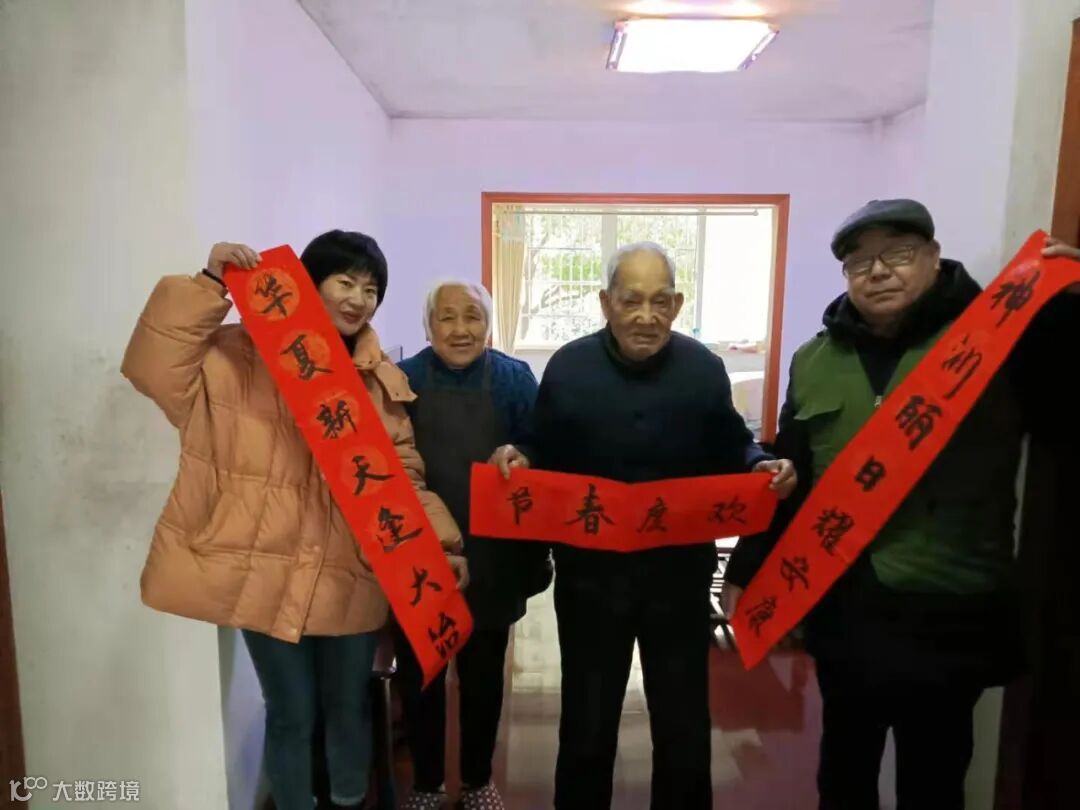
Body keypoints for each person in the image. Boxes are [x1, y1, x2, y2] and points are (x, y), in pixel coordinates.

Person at [722, 200, 1080, 810]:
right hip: (844, 607)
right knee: (843, 772)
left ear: (934, 257)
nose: (878, 271)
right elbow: (791, 474)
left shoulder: (999, 338)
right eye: (859, 262)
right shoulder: (814, 359)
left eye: (899, 253)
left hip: (949, 607)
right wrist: (747, 568)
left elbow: (1063, 412)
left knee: (933, 781)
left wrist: (1069, 308)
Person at [121, 232, 467, 810]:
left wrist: (440, 547)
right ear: (306, 284)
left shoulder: (377, 379)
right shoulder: (240, 356)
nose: (358, 299)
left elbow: (403, 475)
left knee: (348, 708)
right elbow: (152, 369)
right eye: (345, 282)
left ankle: (350, 801)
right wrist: (210, 286)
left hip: (351, 573)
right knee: (290, 712)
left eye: (372, 290)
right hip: (266, 571)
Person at [491, 242, 797, 810]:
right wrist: (520, 455)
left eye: (661, 301)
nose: (646, 315)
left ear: (677, 304)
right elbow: (540, 440)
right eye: (631, 300)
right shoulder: (569, 367)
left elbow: (733, 442)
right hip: (590, 577)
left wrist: (759, 464)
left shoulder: (703, 368)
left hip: (678, 577)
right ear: (605, 302)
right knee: (586, 723)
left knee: (683, 723)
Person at [394, 280, 551, 810]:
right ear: (428, 326)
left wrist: (523, 453)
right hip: (419, 553)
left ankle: (479, 780)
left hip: (493, 556)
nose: (460, 329)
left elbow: (541, 441)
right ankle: (427, 784)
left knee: (484, 679)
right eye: (447, 317)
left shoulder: (514, 379)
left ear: (489, 324)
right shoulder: (403, 380)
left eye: (473, 316)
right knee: (421, 677)